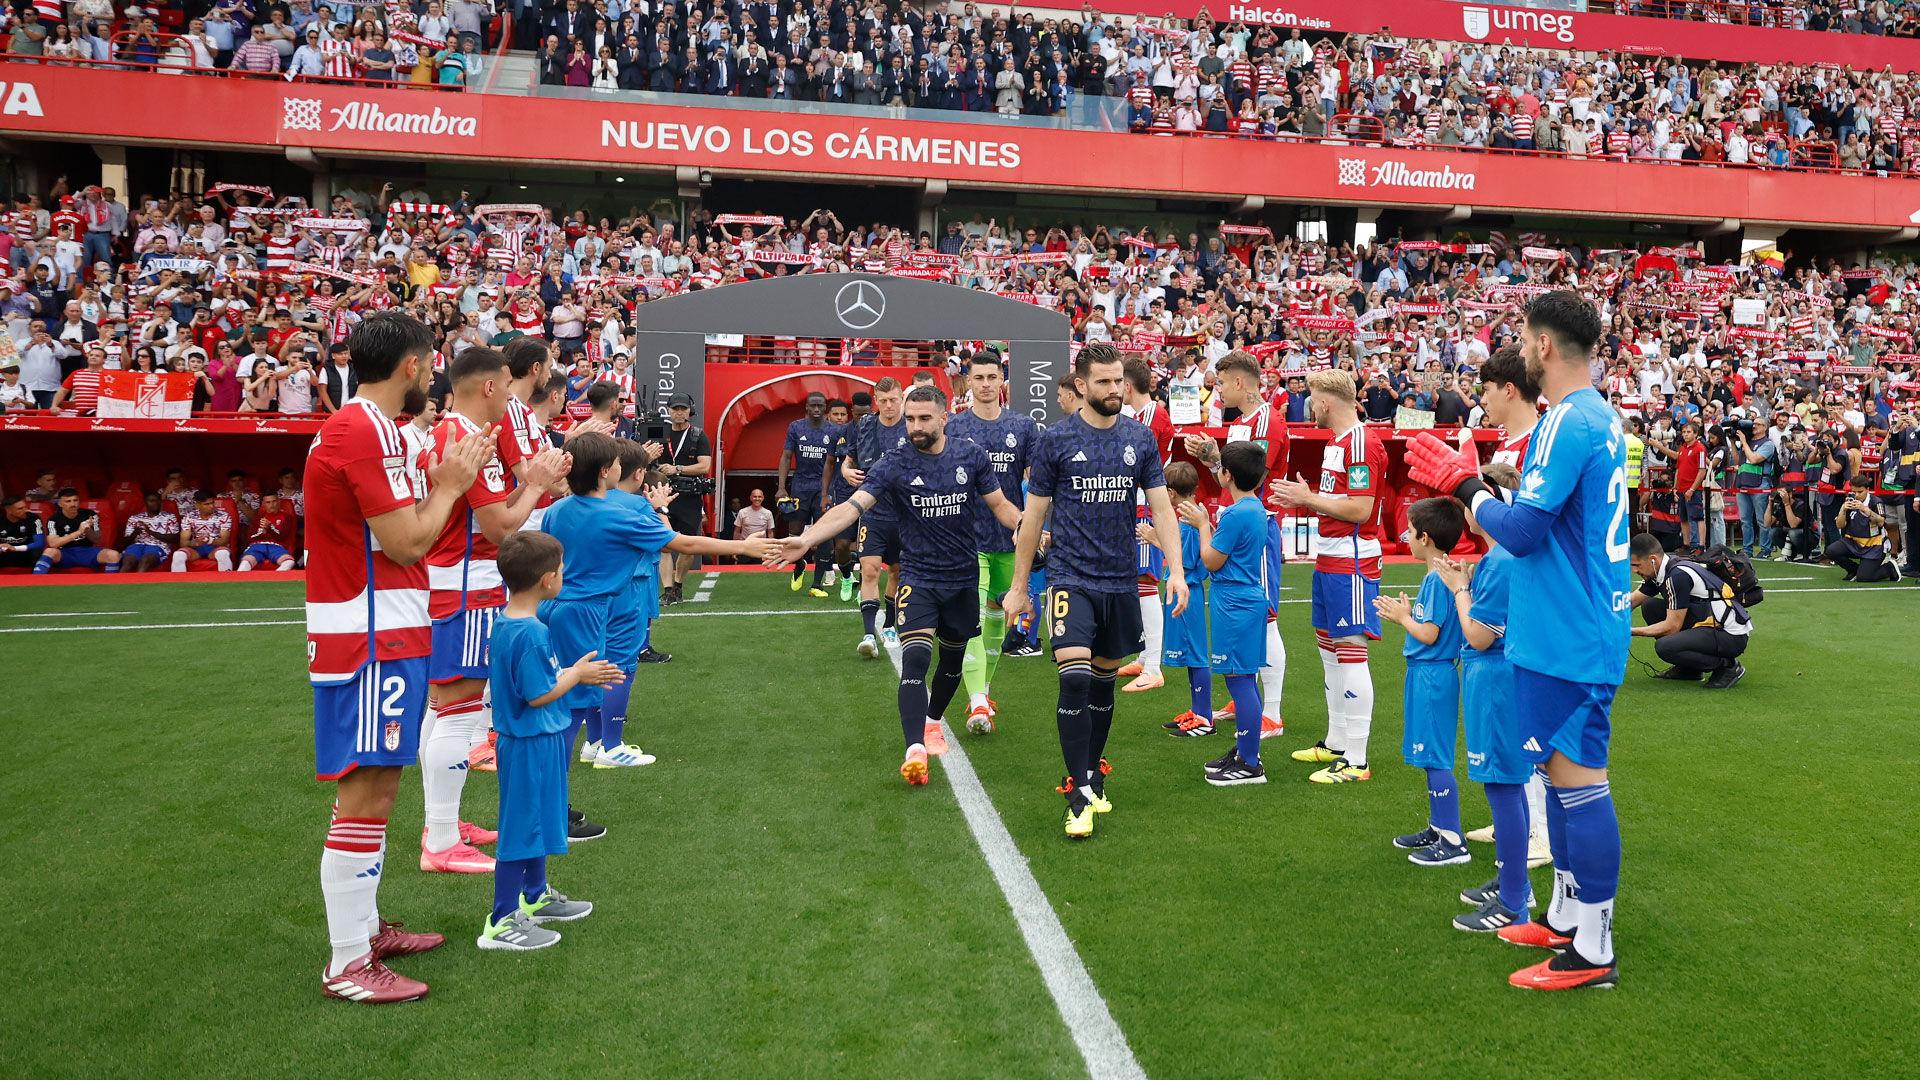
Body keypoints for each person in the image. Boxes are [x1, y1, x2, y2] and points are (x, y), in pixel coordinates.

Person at [1407, 290, 1628, 991]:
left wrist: (1463, 484)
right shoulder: (1586, 417)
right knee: (1559, 786)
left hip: (1573, 635)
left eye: (1523, 337)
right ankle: (1566, 914)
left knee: (1579, 784)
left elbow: (1524, 531)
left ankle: (1592, 948)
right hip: (1557, 629)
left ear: (1541, 347)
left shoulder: (1573, 419)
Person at [307, 310, 494, 1004]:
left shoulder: (383, 429)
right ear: (413, 366)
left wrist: (443, 476)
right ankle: (347, 963)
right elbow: (409, 543)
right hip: (368, 634)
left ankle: (364, 928)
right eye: (431, 363)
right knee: (366, 788)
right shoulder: (359, 429)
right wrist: (450, 483)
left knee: (378, 789)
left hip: (390, 628)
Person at [777, 384, 1022, 784]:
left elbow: (1000, 505)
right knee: (917, 659)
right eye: (910, 419)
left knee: (952, 661)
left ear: (945, 418)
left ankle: (932, 721)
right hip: (918, 578)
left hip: (962, 579)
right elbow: (851, 507)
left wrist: (1025, 526)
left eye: (924, 418)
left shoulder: (970, 456)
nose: (915, 426)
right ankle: (915, 750)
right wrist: (807, 539)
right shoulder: (894, 463)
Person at [1004, 344, 1189, 839]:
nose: (1114, 390)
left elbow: (1162, 508)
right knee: (1075, 678)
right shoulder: (1056, 441)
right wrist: (1020, 587)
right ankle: (1078, 792)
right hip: (1070, 577)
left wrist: (1176, 568)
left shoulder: (1140, 438)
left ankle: (1092, 773)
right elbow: (1034, 517)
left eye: (1118, 382)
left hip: (1120, 579)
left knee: (1105, 686)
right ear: (1081, 385)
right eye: (1104, 382)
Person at [418, 347, 571, 872]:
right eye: (506, 387)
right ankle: (439, 840)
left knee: (441, 711)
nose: (511, 398)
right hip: (467, 584)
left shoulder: (444, 432)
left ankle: (443, 822)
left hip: (449, 580)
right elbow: (500, 528)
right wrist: (534, 484)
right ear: (489, 387)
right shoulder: (468, 438)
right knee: (459, 714)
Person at [480, 530, 622, 951]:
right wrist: (577, 676)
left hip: (534, 741)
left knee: (539, 820)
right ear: (547, 580)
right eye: (561, 570)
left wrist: (572, 671)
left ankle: (535, 894)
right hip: (527, 743)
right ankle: (501, 919)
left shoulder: (517, 622)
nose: (565, 575)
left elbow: (536, 683)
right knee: (521, 828)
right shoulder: (531, 633)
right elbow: (537, 694)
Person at [1269, 369, 1388, 784]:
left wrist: (1308, 498)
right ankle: (1337, 741)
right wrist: (1312, 498)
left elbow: (1360, 509)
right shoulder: (1339, 442)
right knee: (1329, 649)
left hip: (1352, 559)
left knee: (1350, 649)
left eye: (1311, 398)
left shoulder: (1360, 442)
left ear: (1325, 402)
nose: (1307, 406)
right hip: (1331, 555)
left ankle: (1357, 758)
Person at [1460, 344, 1552, 868]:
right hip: (1510, 580)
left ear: (1509, 389)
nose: (1483, 400)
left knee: (1531, 717)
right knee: (1516, 717)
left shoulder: (1537, 442)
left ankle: (1538, 831)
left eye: (1487, 391)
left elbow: (1523, 527)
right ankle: (1515, 818)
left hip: (1530, 593)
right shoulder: (1512, 442)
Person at [1438, 460, 1538, 932]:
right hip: (1503, 675)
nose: (1467, 512)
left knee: (1502, 787)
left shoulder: (1499, 560)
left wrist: (1459, 590)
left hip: (1496, 679)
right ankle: (1512, 880)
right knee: (1508, 786)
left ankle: (1515, 900)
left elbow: (1478, 635)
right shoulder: (1503, 557)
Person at [1183, 350, 1289, 734]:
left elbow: (1252, 479)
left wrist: (1213, 457)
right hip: (1240, 525)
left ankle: (1271, 713)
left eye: (1222, 382)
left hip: (1255, 530)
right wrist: (1213, 461)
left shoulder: (1269, 421)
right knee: (1250, 619)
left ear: (1240, 382)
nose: (1218, 389)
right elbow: (1234, 477)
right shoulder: (1246, 421)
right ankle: (1248, 697)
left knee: (1267, 619)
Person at [946, 351, 1039, 734]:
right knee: (972, 616)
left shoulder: (1024, 426)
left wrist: (1036, 525)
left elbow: (1037, 484)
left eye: (991, 377)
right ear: (968, 382)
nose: (985, 384)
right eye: (978, 377)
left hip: (1010, 537)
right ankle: (977, 702)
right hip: (967, 538)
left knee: (1001, 615)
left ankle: (983, 687)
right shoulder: (953, 427)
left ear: (1002, 380)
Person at [1376, 497, 1469, 866]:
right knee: (1431, 754)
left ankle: (1452, 840)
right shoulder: (1443, 574)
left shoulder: (1436, 578)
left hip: (1432, 676)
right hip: (1432, 675)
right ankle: (1439, 825)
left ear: (1425, 538)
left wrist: (1401, 617)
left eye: (1411, 532)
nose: (1406, 537)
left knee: (1435, 757)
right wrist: (1407, 611)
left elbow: (1429, 633)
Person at [1185, 441, 1276, 786]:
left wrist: (1202, 524)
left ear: (1227, 475)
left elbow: (1210, 561)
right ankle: (1244, 750)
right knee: (1243, 680)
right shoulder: (1253, 507)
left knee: (1239, 682)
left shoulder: (1237, 514)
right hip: (1242, 599)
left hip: (1234, 602)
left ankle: (1250, 762)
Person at [1117, 355, 1176, 694]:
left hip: (1146, 505)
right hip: (1137, 504)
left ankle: (1154, 665)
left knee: (1145, 581)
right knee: (1138, 583)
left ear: (1127, 385)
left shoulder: (1154, 416)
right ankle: (1145, 655)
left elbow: (1140, 464)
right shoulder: (1142, 415)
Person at [1628, 532, 1753, 688]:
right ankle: (1689, 670)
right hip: (1712, 626)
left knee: (1665, 647)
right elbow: (1631, 601)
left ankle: (1727, 666)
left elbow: (1672, 626)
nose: (1634, 570)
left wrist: (1631, 631)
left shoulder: (1677, 575)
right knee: (1650, 607)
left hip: (1730, 635)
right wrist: (1606, 620)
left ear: (1653, 559)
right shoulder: (1663, 570)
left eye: (1636, 565)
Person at [842, 377, 911, 656]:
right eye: (883, 401)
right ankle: (869, 633)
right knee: (869, 570)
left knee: (898, 571)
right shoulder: (865, 425)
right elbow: (850, 459)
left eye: (893, 399)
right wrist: (847, 470)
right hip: (872, 511)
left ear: (901, 398)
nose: (889, 405)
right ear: (876, 400)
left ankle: (891, 625)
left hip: (906, 514)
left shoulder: (913, 424)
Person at [1151, 462, 1214, 738]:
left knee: (1197, 655)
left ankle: (1204, 718)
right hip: (1186, 590)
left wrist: (1157, 540)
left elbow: (1186, 560)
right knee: (1191, 655)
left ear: (1171, 493)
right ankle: (1197, 711)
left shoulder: (1188, 521)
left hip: (1187, 592)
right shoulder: (1193, 514)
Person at [777, 391, 838, 597]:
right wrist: (781, 487)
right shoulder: (795, 427)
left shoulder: (834, 430)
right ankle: (799, 563)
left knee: (823, 536)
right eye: (813, 406)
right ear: (806, 407)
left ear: (825, 408)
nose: (816, 410)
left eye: (820, 406)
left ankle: (817, 584)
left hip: (824, 490)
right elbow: (786, 457)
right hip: (800, 488)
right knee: (794, 532)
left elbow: (836, 462)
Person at [657, 391, 714, 605]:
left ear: (690, 410)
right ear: (669, 410)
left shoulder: (698, 435)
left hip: (689, 495)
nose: (679, 413)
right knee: (663, 545)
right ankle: (668, 590)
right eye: (675, 409)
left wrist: (677, 468)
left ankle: (678, 584)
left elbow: (705, 466)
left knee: (687, 543)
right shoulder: (660, 432)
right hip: (664, 494)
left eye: (683, 409)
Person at [1824, 473, 1901, 582]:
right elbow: (1839, 525)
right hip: (1853, 542)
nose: (1857, 495)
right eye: (1854, 492)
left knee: (1865, 578)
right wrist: (1843, 510)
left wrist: (1865, 510)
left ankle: (1889, 568)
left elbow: (1881, 522)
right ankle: (1854, 570)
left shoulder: (1875, 502)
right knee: (1831, 550)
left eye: (1860, 492)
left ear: (1867, 489)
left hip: (1874, 545)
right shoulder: (1850, 501)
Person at [34, 488, 121, 574]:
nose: (73, 504)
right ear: (60, 504)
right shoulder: (54, 520)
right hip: (65, 553)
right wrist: (78, 532)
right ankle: (37, 581)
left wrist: (87, 530)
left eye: (75, 500)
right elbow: (53, 544)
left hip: (87, 551)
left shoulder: (90, 515)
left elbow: (97, 540)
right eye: (68, 501)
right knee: (49, 552)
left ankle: (111, 586)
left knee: (114, 555)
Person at [171, 491, 236, 572]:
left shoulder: (223, 516)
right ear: (197, 505)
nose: (212, 506)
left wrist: (209, 540)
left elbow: (224, 541)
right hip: (197, 549)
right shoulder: (189, 517)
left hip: (215, 548)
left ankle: (227, 582)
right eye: (207, 504)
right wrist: (195, 543)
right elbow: (183, 543)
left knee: (223, 553)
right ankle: (179, 583)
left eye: (212, 503)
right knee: (178, 555)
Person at [237, 491, 300, 571]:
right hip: (257, 545)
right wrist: (262, 531)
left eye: (274, 501)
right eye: (268, 502)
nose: (272, 505)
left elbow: (283, 536)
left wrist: (270, 528)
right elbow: (250, 538)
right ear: (263, 504)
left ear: (279, 502)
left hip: (276, 546)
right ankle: (239, 583)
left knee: (289, 562)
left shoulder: (287, 517)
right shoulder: (257, 518)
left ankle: (276, 582)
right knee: (245, 563)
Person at [120, 492, 178, 573]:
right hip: (137, 546)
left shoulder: (169, 517)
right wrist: (135, 533)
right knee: (128, 562)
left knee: (145, 560)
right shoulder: (134, 518)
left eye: (157, 501)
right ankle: (117, 584)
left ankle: (138, 584)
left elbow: (174, 538)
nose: (155, 503)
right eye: (151, 501)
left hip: (158, 546)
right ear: (145, 503)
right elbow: (125, 542)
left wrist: (150, 531)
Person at [0, 495, 48, 571]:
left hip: (26, 554)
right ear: (8, 510)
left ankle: (37, 577)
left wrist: (15, 548)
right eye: (20, 509)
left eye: (25, 507)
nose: (25, 510)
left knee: (38, 550)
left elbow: (41, 543)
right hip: (4, 555)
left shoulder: (33, 518)